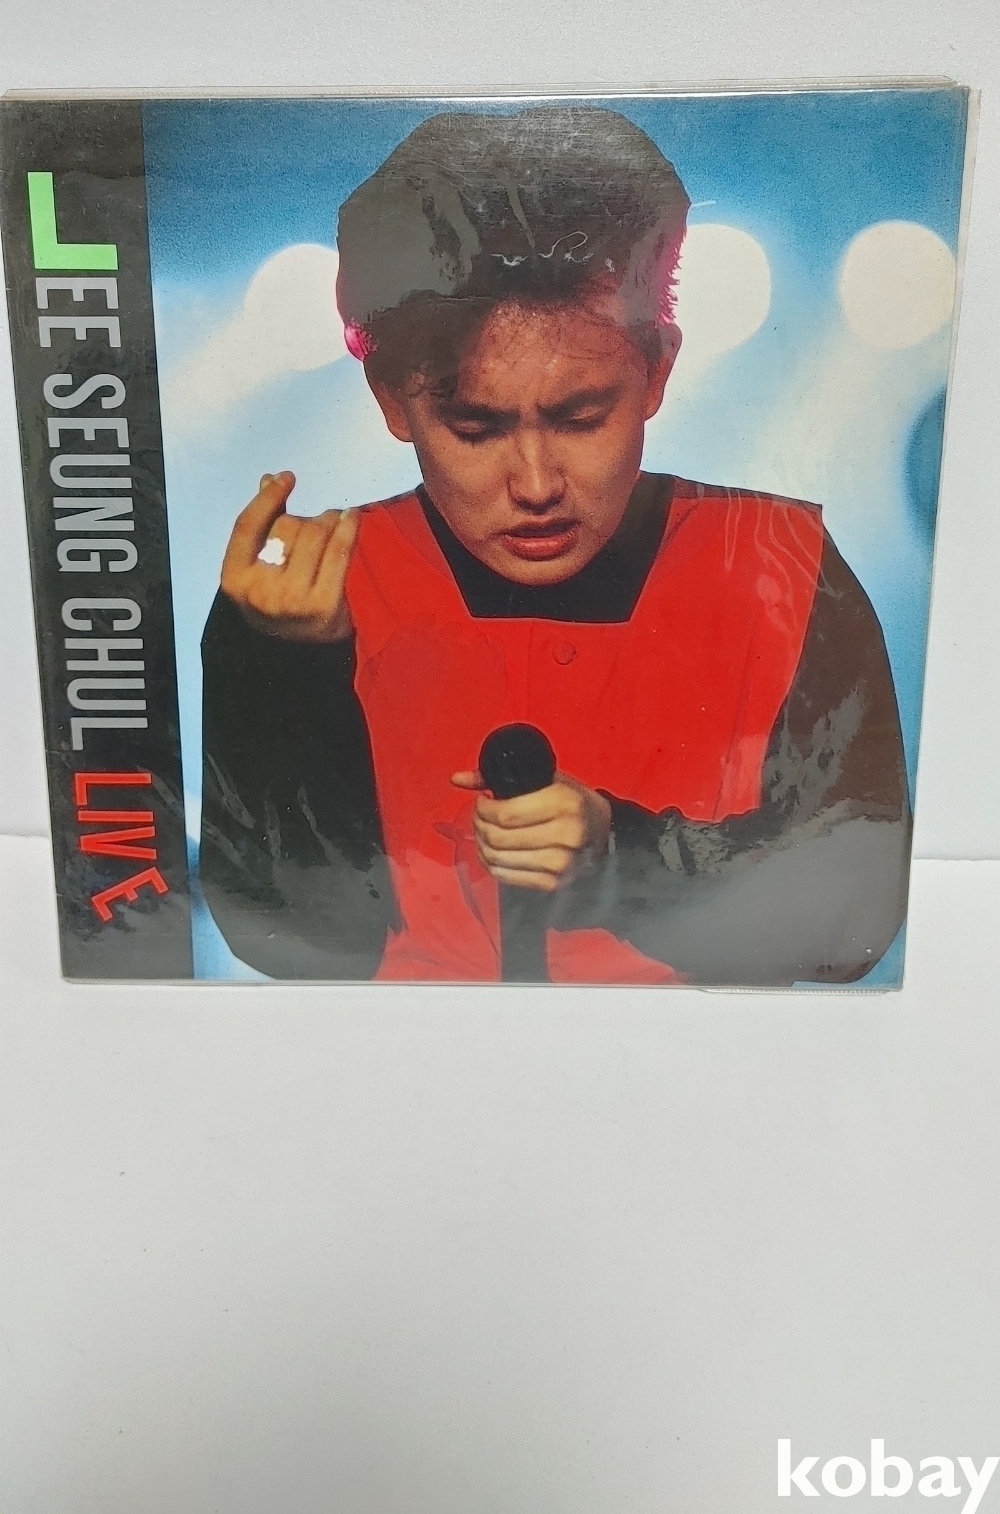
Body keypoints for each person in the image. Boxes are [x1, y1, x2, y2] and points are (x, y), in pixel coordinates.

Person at [199, 107, 911, 984]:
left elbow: (857, 924)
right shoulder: (304, 599)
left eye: (581, 417)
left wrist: (624, 858)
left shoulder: (783, 564)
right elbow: (286, 938)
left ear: (657, 371)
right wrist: (283, 674)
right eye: (475, 427)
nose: (536, 483)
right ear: (390, 399)